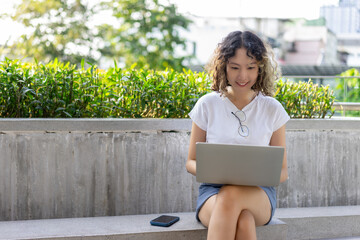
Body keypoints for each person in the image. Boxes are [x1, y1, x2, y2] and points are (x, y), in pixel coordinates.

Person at [186, 30, 290, 240]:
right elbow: (190, 162)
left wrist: (260, 176)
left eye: (250, 68)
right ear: (223, 66)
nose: (243, 76)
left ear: (260, 68)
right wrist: (213, 171)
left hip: (258, 194)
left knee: (232, 195)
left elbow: (283, 171)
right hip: (213, 193)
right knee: (243, 219)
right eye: (235, 68)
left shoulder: (272, 109)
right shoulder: (207, 105)